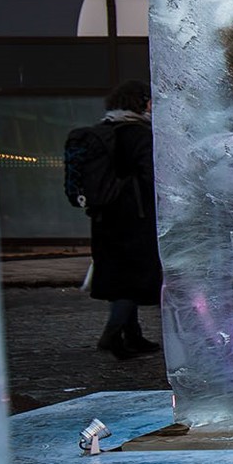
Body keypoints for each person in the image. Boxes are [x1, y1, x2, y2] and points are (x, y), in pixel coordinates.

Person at [87, 80, 162, 360]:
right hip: (136, 218)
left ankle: (132, 334)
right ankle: (112, 334)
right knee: (133, 279)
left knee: (118, 277)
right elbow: (150, 176)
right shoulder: (139, 134)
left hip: (105, 218)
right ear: (141, 102)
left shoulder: (104, 130)